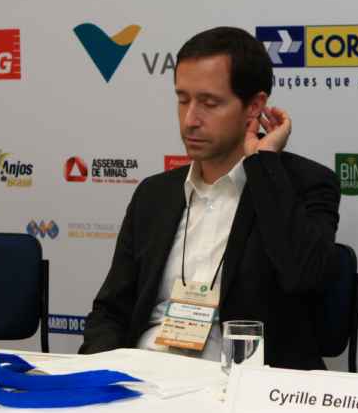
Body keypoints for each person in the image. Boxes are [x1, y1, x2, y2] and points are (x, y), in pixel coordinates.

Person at [81, 27, 339, 369]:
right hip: (145, 376)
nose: (190, 120)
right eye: (183, 99)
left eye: (209, 103)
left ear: (254, 106)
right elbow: (111, 311)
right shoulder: (154, 194)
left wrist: (264, 165)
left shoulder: (303, 184)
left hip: (241, 384)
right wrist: (98, 375)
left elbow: (303, 277)